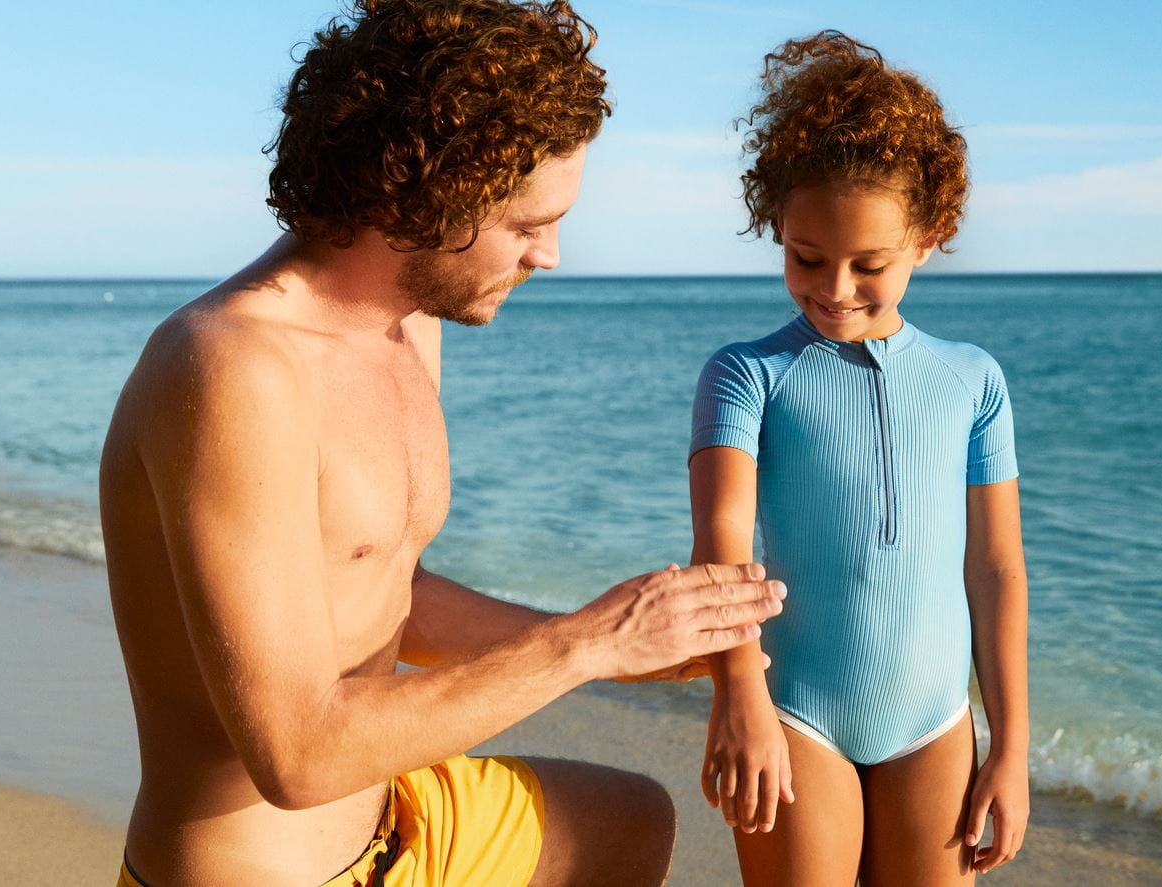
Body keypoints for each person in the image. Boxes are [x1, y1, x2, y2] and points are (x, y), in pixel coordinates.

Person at [98, 2, 785, 885]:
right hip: (267, 867)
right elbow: (297, 755)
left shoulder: (408, 326)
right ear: (423, 197)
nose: (552, 254)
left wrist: (652, 650)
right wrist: (582, 646)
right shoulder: (229, 369)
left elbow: (388, 591)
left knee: (624, 823)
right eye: (528, 224)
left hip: (403, 820)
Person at [688, 31, 1031, 885]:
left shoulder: (973, 380)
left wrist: (1013, 749)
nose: (835, 289)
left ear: (931, 234)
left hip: (935, 726)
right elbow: (722, 546)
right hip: (793, 713)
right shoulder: (746, 375)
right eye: (806, 258)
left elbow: (993, 569)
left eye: (868, 264)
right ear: (778, 225)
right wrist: (739, 694)